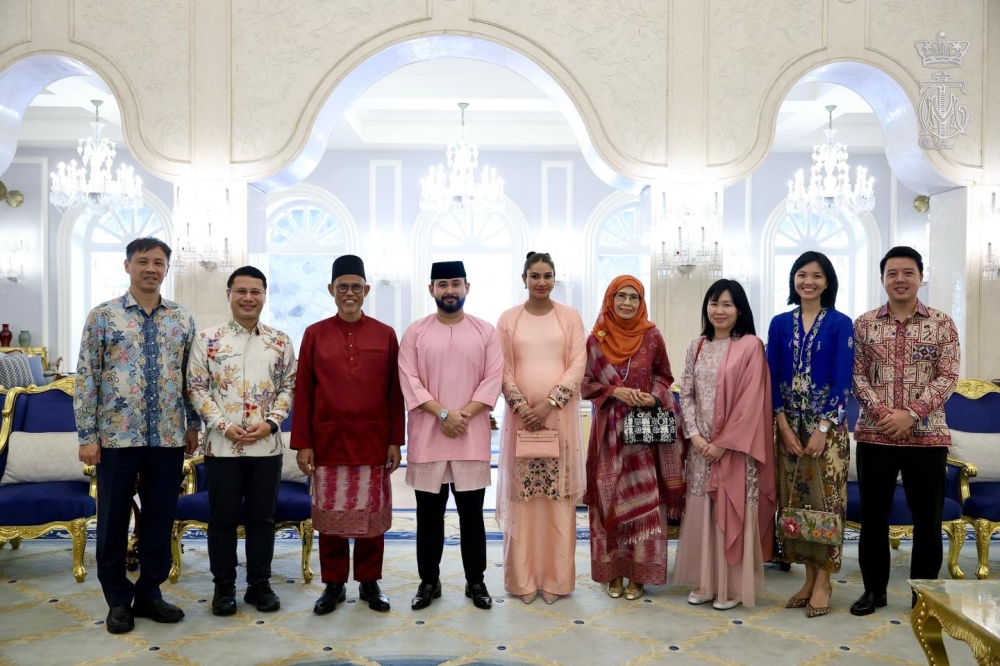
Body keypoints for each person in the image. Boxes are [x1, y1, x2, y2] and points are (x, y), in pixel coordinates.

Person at [75, 237, 200, 634]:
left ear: (166, 269)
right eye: (143, 261)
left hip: (167, 438)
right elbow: (87, 378)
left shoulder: (181, 318)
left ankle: (150, 592)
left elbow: (190, 379)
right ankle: (117, 599)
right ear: (127, 265)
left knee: (160, 519)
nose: (151, 268)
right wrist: (87, 434)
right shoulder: (103, 317)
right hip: (115, 439)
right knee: (111, 521)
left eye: (158, 262)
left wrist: (193, 424)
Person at [291, 255, 404, 614]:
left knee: (372, 517)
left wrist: (394, 441)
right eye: (343, 287)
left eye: (356, 287)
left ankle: (370, 583)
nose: (350, 293)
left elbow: (394, 392)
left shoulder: (385, 334)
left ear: (366, 290)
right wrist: (303, 443)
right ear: (331, 290)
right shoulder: (314, 333)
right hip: (328, 441)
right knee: (331, 517)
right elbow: (304, 392)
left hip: (372, 441)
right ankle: (334, 584)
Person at [849, 246, 959, 616]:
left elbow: (948, 376)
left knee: (927, 521)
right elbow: (856, 374)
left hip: (927, 437)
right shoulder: (864, 324)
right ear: (882, 278)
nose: (900, 279)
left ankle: (924, 597)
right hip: (874, 434)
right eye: (892, 273)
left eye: (907, 272)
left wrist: (910, 414)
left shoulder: (942, 323)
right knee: (873, 519)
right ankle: (873, 591)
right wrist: (884, 414)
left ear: (920, 277)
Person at [187, 266, 297, 616]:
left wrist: (271, 422)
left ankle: (259, 585)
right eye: (241, 291)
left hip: (267, 448)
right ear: (229, 294)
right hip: (222, 447)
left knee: (262, 519)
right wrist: (220, 424)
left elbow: (289, 387)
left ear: (265, 295)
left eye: (256, 291)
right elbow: (197, 387)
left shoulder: (280, 341)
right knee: (222, 519)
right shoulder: (207, 340)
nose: (249, 298)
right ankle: (223, 587)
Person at [398, 260, 503, 611]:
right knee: (428, 517)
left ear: (467, 287)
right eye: (442, 285)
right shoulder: (415, 332)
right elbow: (409, 380)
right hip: (429, 438)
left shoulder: (486, 331)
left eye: (455, 283)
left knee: (472, 517)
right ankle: (429, 581)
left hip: (470, 440)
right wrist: (444, 414)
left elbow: (493, 379)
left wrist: (462, 416)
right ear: (431, 290)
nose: (449, 291)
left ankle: (476, 581)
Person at [580, 275, 685, 601]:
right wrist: (614, 391)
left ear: (642, 302)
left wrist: (653, 397)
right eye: (620, 296)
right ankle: (615, 572)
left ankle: (639, 575)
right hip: (608, 436)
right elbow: (585, 384)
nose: (627, 303)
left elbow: (664, 377)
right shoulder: (596, 339)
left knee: (643, 505)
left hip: (643, 435)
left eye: (634, 298)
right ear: (610, 299)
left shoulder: (652, 336)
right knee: (610, 499)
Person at [672, 279, 775, 610]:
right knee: (705, 510)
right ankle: (706, 582)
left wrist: (723, 444)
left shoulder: (750, 346)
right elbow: (685, 392)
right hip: (701, 450)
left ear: (740, 309)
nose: (719, 310)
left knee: (730, 509)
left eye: (727, 304)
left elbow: (751, 402)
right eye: (714, 303)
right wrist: (696, 436)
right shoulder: (697, 345)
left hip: (735, 451)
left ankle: (730, 586)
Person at [766, 252, 853, 618]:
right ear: (793, 280)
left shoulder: (841, 323)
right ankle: (807, 578)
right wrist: (782, 425)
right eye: (802, 274)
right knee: (795, 505)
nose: (809, 282)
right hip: (789, 431)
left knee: (825, 506)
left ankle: (824, 582)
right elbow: (770, 376)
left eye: (817, 276)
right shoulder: (779, 323)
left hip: (826, 432)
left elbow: (842, 379)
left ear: (827, 282)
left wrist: (822, 429)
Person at [496, 252, 586, 604]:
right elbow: (501, 367)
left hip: (558, 419)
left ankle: (556, 581)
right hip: (521, 421)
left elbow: (578, 362)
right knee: (524, 501)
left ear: (554, 278)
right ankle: (522, 580)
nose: (542, 282)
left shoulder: (570, 318)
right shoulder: (508, 319)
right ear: (524, 278)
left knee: (556, 501)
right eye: (535, 276)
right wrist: (522, 406)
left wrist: (550, 403)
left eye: (548, 275)